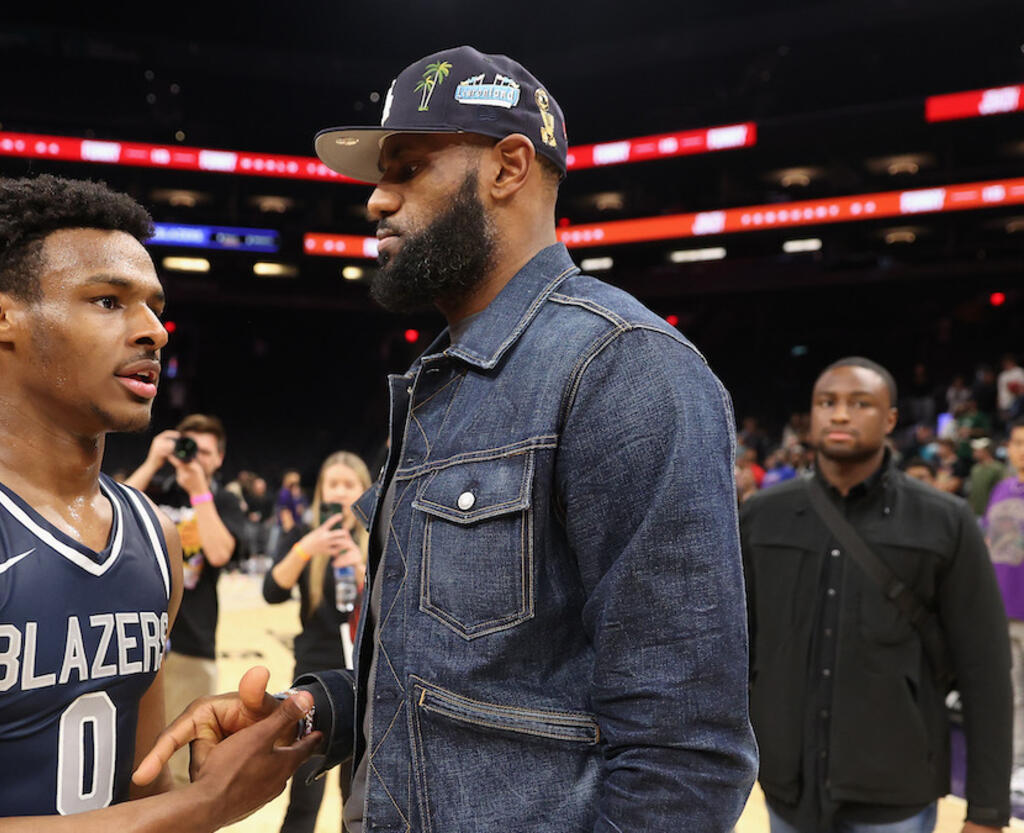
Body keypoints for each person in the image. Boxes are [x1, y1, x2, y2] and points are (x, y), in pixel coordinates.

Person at [142, 46, 758, 831]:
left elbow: (685, 753)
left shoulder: (624, 366)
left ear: (508, 167)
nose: (375, 200)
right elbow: (475, 675)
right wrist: (318, 707)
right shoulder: (447, 376)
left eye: (406, 168)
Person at [0, 176, 318, 830]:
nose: (153, 329)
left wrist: (208, 771)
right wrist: (204, 805)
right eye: (108, 300)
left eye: (155, 306)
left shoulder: (149, 532)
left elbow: (138, 791)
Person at [742, 357, 1012, 833]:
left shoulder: (945, 521)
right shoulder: (762, 517)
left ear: (890, 419)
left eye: (859, 403)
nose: (840, 414)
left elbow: (985, 672)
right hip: (786, 791)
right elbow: (736, 652)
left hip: (897, 794)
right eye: (828, 402)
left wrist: (988, 811)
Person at [124, 414, 253, 784]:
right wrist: (151, 462)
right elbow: (109, 517)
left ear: (219, 459)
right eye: (189, 449)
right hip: (140, 639)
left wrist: (200, 490)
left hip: (192, 645)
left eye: (206, 453)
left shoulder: (224, 500)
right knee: (131, 759)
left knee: (179, 767)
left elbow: (218, 553)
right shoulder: (158, 491)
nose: (196, 459)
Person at [262, 452, 370, 833]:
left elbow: (391, 605)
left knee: (355, 798)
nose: (340, 492)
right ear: (321, 490)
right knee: (304, 797)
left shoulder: (378, 539)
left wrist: (360, 567)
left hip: (364, 681)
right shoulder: (304, 537)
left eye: (348, 484)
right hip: (313, 681)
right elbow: (272, 590)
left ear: (365, 490)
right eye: (332, 484)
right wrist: (309, 547)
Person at [983, 419, 1024, 798]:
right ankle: (1015, 763)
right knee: (1010, 693)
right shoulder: (1000, 488)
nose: (1021, 449)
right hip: (1002, 606)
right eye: (1016, 442)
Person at [968, 438, 1007, 517]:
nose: (974, 453)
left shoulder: (997, 468)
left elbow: (1003, 490)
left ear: (986, 451)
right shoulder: (975, 468)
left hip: (991, 512)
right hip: (976, 512)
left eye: (977, 451)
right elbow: (973, 491)